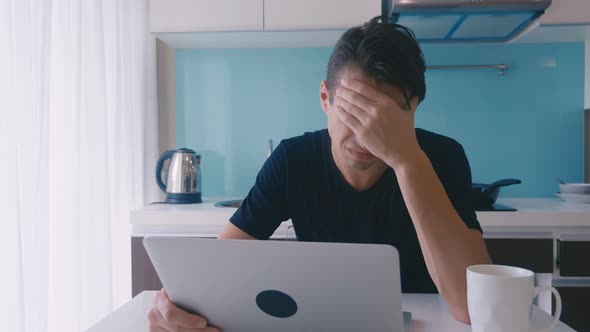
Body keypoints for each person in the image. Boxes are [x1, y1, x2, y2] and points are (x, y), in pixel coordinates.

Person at [147, 16, 491, 332]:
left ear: (413, 109)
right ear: (325, 98)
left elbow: (470, 307)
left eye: (381, 119)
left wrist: (406, 161)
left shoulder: (442, 158)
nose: (363, 137)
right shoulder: (293, 161)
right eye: (352, 112)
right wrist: (174, 308)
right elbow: (218, 270)